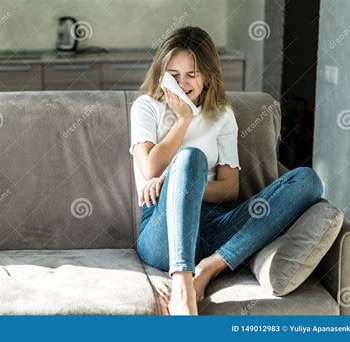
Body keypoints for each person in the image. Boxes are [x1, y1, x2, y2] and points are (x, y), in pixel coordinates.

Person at [129, 26, 323, 315]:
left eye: (191, 74)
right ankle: (182, 283)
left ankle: (210, 268)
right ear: (161, 73)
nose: (182, 84)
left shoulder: (221, 115)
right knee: (190, 158)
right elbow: (150, 167)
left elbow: (229, 189)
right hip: (162, 233)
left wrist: (182, 184)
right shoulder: (147, 106)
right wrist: (183, 120)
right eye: (174, 74)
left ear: (207, 75)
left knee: (308, 180)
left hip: (213, 229)